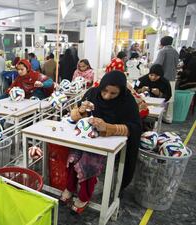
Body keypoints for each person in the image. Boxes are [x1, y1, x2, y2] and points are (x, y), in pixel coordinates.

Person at [60, 71, 141, 214]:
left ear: (121, 92)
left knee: (88, 162)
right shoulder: (92, 93)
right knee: (73, 157)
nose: (107, 96)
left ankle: (84, 196)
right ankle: (70, 187)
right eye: (104, 91)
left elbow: (134, 128)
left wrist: (109, 127)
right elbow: (74, 117)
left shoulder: (127, 102)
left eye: (113, 93)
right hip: (86, 139)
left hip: (109, 144)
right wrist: (80, 111)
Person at [154, 36, 179, 123]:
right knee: (170, 98)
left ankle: (158, 117)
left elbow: (158, 64)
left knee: (161, 97)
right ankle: (169, 118)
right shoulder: (175, 51)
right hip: (172, 77)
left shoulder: (163, 51)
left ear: (162, 42)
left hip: (164, 78)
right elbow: (177, 64)